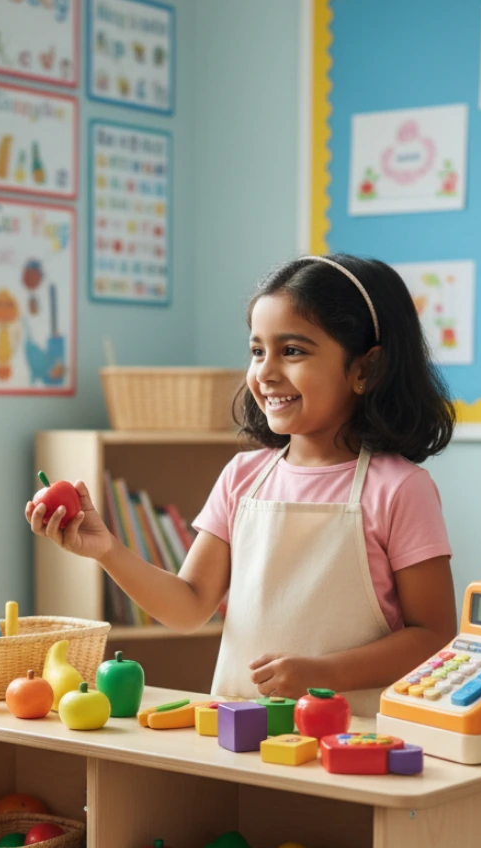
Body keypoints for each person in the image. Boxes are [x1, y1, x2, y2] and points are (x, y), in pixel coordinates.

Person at [27, 254, 457, 713]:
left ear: (365, 370)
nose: (266, 372)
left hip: (351, 739)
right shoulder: (243, 477)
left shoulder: (400, 489)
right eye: (257, 351)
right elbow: (189, 606)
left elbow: (433, 636)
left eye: (292, 351)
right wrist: (106, 549)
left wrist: (322, 674)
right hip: (238, 731)